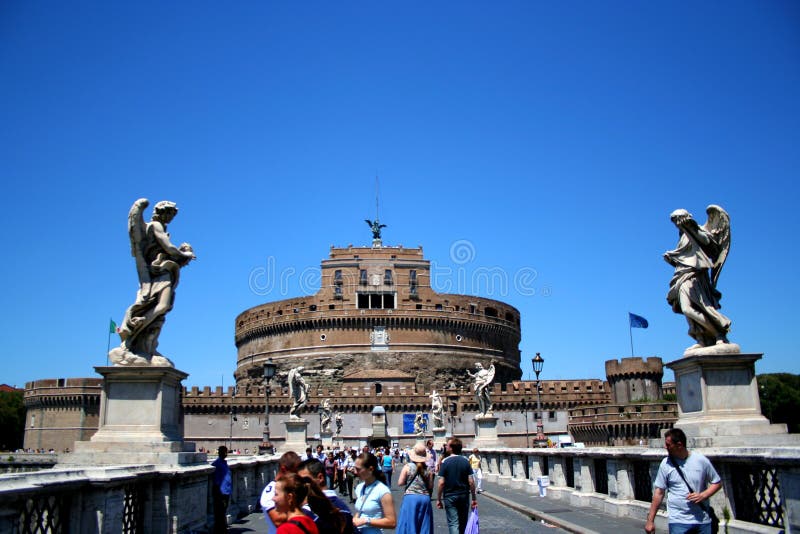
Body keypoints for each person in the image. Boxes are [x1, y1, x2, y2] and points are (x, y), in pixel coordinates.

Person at [113, 199, 195, 364]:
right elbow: (169, 248)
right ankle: (135, 331)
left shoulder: (161, 228)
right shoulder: (155, 226)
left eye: (173, 215)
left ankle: (146, 343)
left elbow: (170, 254)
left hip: (164, 273)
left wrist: (181, 255)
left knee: (162, 309)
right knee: (162, 306)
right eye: (170, 214)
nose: (171, 218)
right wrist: (185, 254)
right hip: (159, 274)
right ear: (162, 212)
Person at [664, 206, 733, 352]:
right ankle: (701, 338)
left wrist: (692, 227)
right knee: (686, 308)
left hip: (695, 275)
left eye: (678, 219)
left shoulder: (697, 230)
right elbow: (685, 257)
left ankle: (718, 333)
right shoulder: (682, 237)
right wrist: (671, 258)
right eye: (674, 221)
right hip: (682, 275)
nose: (677, 223)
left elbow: (708, 244)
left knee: (696, 306)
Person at [645, 428, 722, 534]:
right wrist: (650, 521)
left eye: (668, 445)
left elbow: (717, 482)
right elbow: (659, 493)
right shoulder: (665, 464)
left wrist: (703, 495)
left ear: (679, 445)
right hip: (678, 521)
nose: (665, 447)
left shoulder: (701, 460)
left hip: (702, 520)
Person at [298, 458, 352, 534]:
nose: (301, 485)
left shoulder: (310, 513)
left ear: (320, 478)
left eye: (305, 480)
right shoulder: (345, 509)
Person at [436, 438, 477, 534]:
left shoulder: (445, 462)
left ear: (451, 448)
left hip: (450, 496)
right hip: (464, 495)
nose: (446, 446)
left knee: (453, 523)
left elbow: (441, 482)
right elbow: (471, 481)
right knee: (463, 523)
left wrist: (438, 498)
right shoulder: (466, 461)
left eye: (447, 445)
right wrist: (474, 498)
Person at [352, 452, 397, 533]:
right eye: (355, 468)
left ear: (371, 469)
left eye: (358, 469)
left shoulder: (383, 491)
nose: (355, 472)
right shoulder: (359, 487)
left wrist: (366, 521)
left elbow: (392, 522)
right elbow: (361, 511)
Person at [260, 451, 303, 534]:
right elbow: (277, 520)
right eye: (295, 472)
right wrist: (302, 511)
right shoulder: (270, 492)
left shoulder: (292, 487)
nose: (298, 476)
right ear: (284, 469)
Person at [396, 442, 434, 534]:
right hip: (425, 498)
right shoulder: (428, 469)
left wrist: (408, 480)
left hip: (411, 497)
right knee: (424, 525)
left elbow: (400, 483)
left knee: (409, 523)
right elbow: (430, 486)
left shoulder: (408, 467)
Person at [212, 446, 232, 534]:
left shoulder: (224, 463)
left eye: (226, 452)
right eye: (224, 452)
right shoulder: (217, 463)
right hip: (221, 491)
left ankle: (222, 528)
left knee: (223, 510)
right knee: (220, 511)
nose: (225, 454)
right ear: (220, 452)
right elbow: (215, 479)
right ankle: (220, 530)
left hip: (226, 490)